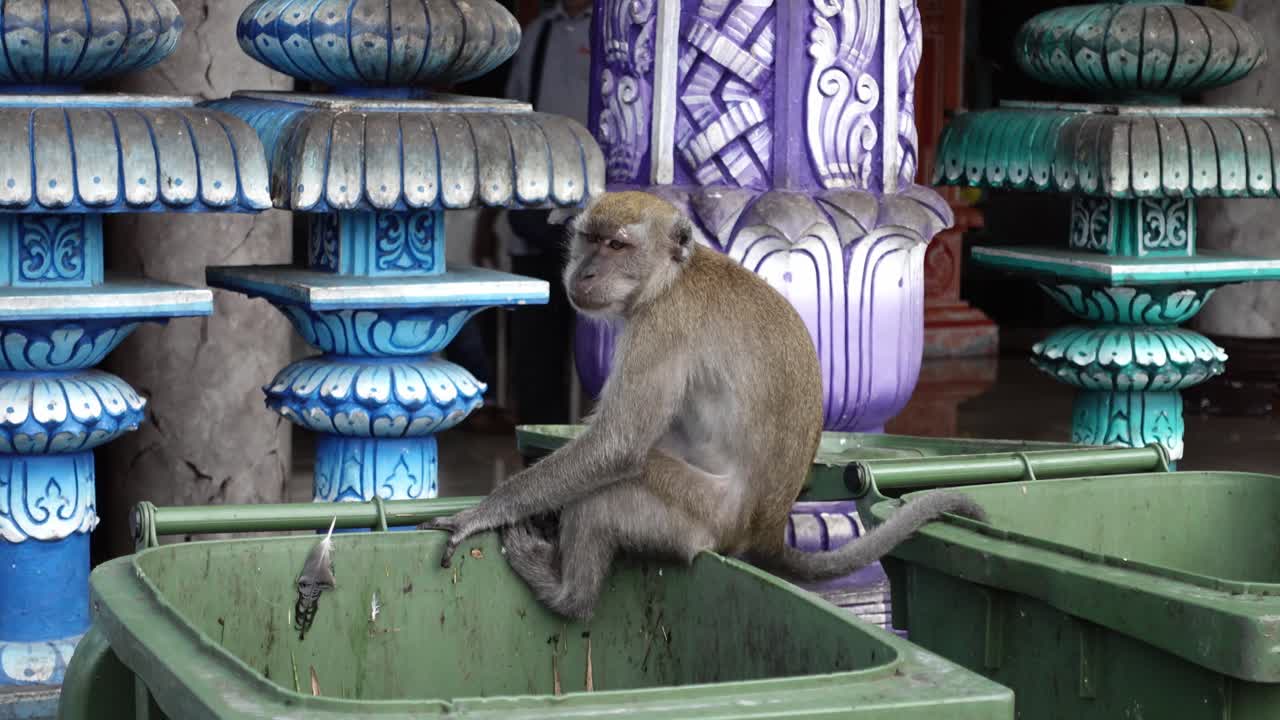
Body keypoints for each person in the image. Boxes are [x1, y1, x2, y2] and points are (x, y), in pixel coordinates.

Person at [470, 0, 594, 428]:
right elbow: (510, 131)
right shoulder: (537, 35)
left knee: (603, 359)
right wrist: (490, 219)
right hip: (535, 222)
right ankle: (542, 474)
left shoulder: (616, 32)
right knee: (535, 363)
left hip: (599, 230)